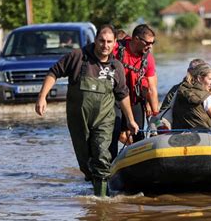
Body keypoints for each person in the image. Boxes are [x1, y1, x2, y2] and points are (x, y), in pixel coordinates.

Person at [35, 24, 139, 197]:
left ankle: (102, 202)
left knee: (101, 156)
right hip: (79, 119)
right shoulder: (77, 57)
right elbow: (53, 72)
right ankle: (96, 185)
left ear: (114, 44)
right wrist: (42, 97)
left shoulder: (117, 67)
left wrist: (130, 119)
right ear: (95, 40)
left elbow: (123, 95)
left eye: (109, 42)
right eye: (101, 41)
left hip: (104, 120)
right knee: (86, 163)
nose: (105, 45)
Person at [112, 24, 159, 145]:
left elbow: (152, 89)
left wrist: (156, 117)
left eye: (152, 43)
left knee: (138, 134)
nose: (150, 46)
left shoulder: (148, 59)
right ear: (136, 39)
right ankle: (110, 161)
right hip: (114, 99)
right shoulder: (115, 49)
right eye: (147, 43)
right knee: (115, 133)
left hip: (134, 99)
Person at [172, 63, 211, 130]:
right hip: (203, 136)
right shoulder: (206, 98)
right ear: (199, 78)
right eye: (210, 79)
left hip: (179, 135)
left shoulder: (180, 91)